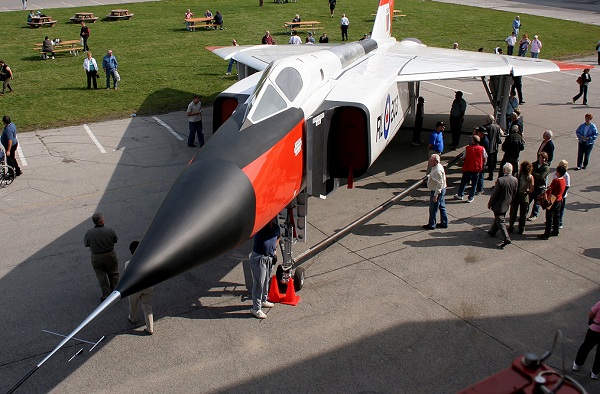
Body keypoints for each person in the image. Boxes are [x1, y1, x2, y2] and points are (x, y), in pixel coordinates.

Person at [83, 213, 119, 301]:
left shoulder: (89, 233)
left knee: (101, 276)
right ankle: (114, 293)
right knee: (114, 273)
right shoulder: (110, 230)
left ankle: (106, 295)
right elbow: (115, 240)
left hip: (96, 257)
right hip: (110, 255)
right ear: (102, 221)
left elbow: (86, 244)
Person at [249, 219, 280, 319]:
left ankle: (263, 300)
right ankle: (256, 308)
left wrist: (274, 249)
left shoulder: (276, 228)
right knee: (259, 282)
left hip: (269, 258)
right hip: (259, 257)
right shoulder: (260, 228)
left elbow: (278, 237)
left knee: (266, 280)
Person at [126, 241, 154, 335]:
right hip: (148, 287)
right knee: (147, 306)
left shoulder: (128, 264)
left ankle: (133, 318)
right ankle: (150, 328)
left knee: (133, 304)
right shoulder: (148, 261)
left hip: (135, 289)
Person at [488, 163, 518, 247]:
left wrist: (490, 203)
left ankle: (506, 238)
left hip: (498, 205)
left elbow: (494, 194)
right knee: (498, 219)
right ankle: (492, 231)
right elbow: (514, 192)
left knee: (500, 221)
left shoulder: (500, 180)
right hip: (507, 203)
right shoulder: (515, 180)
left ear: (504, 170)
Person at [455, 135, 487, 203]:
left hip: (467, 167)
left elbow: (463, 157)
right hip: (477, 168)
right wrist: (483, 164)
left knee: (463, 182)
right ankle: (471, 197)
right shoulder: (482, 149)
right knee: (474, 184)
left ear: (473, 141)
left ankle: (460, 195)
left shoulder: (468, 148)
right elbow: (485, 158)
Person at [573, 300, 600, 380]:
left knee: (586, 347)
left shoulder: (599, 304)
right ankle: (595, 373)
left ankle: (577, 365)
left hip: (594, 330)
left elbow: (591, 314)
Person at [538, 165, 566, 239]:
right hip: (559, 200)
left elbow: (550, 191)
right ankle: (555, 231)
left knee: (549, 217)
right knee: (556, 216)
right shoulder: (563, 180)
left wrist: (547, 199)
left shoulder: (556, 180)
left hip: (553, 200)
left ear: (558, 172)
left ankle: (546, 234)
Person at [423, 154, 448, 230]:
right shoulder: (437, 167)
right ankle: (444, 222)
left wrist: (435, 195)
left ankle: (432, 224)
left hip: (437, 191)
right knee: (441, 206)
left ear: (436, 161)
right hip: (441, 189)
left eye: (431, 160)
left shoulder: (437, 170)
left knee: (433, 208)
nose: (430, 161)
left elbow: (439, 184)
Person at [508, 160, 534, 234]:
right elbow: (532, 188)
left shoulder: (517, 175)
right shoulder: (530, 177)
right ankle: (521, 229)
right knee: (523, 214)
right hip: (524, 196)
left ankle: (511, 226)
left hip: (516, 195)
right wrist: (527, 192)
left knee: (513, 212)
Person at [527, 151, 550, 221]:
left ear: (546, 159)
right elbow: (528, 170)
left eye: (543, 158)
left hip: (540, 187)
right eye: (540, 157)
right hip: (533, 185)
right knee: (528, 200)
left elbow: (541, 177)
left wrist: (533, 172)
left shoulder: (546, 168)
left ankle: (534, 214)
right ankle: (525, 213)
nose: (542, 159)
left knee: (537, 202)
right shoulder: (534, 164)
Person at [483, 114, 504, 181]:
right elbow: (501, 134)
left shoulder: (486, 127)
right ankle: (492, 170)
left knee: (489, 160)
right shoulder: (497, 127)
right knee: (494, 159)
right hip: (495, 146)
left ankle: (490, 174)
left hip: (488, 147)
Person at [553, 159, 570, 229]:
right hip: (554, 194)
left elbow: (567, 186)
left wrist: (562, 195)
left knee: (560, 209)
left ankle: (559, 222)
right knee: (552, 207)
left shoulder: (566, 175)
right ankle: (553, 220)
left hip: (561, 196)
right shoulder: (556, 173)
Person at [474, 126, 490, 194]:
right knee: (477, 175)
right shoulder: (482, 139)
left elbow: (483, 153)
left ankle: (480, 189)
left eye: (478, 132)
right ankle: (476, 187)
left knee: (480, 175)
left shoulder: (484, 141)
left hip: (481, 161)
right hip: (478, 160)